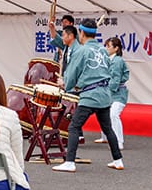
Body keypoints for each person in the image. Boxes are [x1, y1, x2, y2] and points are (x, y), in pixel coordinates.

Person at [52, 18, 124, 173]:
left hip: (90, 95)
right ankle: (118, 160)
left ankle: (70, 162)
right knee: (108, 128)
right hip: (104, 95)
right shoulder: (103, 51)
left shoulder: (82, 50)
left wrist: (65, 83)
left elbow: (72, 73)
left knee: (74, 127)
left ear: (81, 33)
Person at [95, 37, 130, 150]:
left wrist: (107, 91)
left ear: (116, 48)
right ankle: (105, 136)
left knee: (113, 114)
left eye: (108, 46)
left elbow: (115, 79)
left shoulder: (117, 61)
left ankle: (119, 141)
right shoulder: (108, 59)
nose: (106, 48)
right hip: (109, 91)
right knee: (103, 113)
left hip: (117, 93)